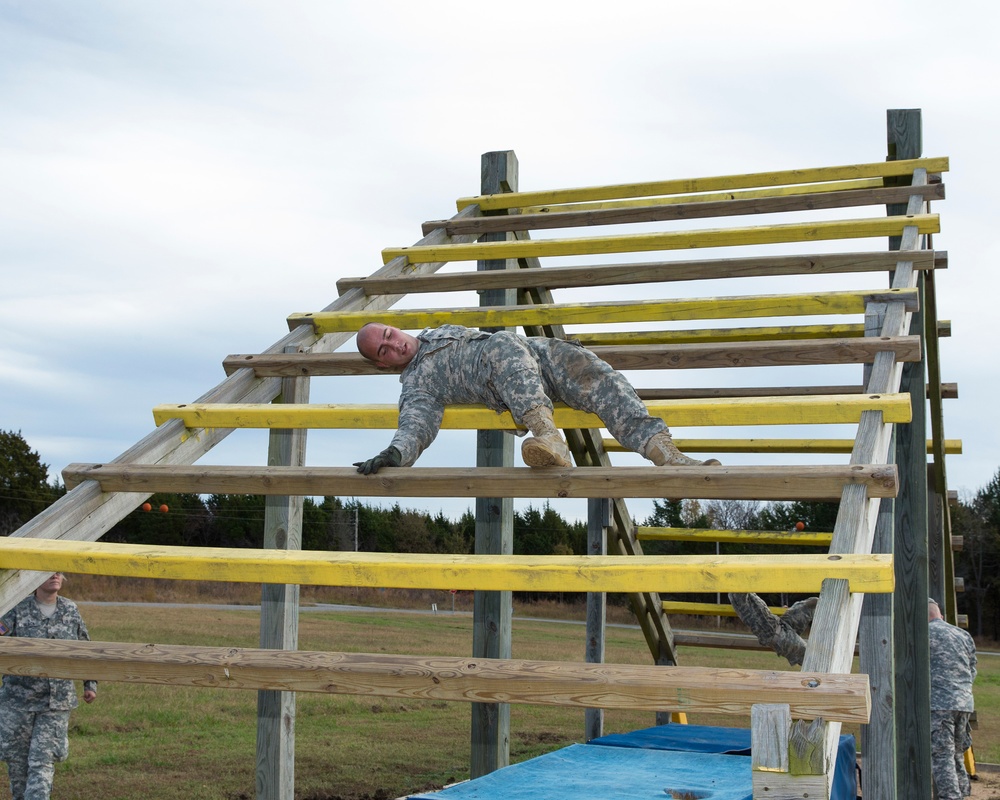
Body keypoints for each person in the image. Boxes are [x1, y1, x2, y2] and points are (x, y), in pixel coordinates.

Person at [352, 322, 721, 473]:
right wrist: (396, 453)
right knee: (502, 340)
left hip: (544, 354)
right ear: (383, 365)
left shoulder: (438, 332)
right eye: (383, 350)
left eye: (388, 334)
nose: (393, 344)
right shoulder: (418, 382)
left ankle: (668, 457)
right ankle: (547, 437)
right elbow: (417, 422)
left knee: (607, 382)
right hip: (509, 376)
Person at [0, 572, 97, 800]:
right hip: (18, 702)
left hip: (55, 703)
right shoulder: (16, 609)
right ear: (33, 577)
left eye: (58, 572)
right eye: (47, 571)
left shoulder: (70, 610)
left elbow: (86, 649)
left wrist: (89, 684)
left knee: (41, 762)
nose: (55, 575)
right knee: (18, 765)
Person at [929, 596, 976, 800]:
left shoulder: (923, 633)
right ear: (939, 613)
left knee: (941, 755)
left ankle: (950, 797)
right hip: (964, 703)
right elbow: (972, 669)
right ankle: (963, 792)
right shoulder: (962, 634)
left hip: (939, 705)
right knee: (956, 752)